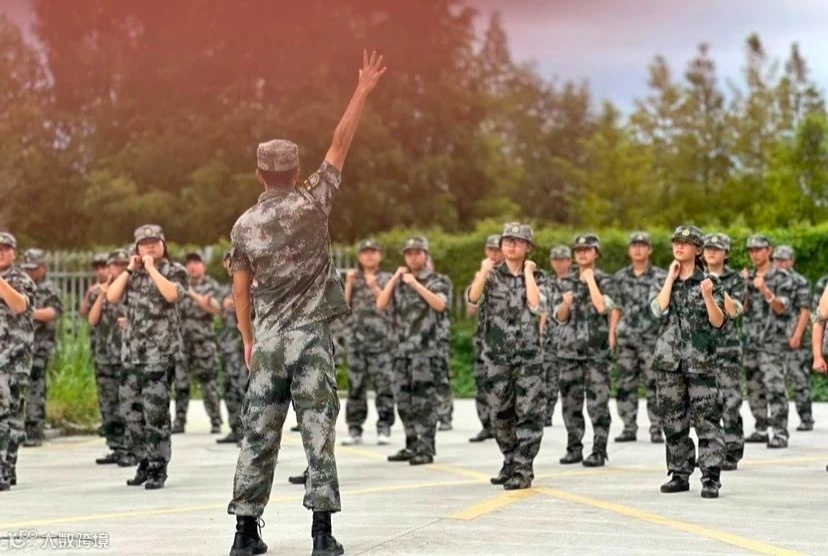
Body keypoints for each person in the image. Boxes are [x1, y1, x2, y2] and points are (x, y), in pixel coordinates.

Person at [226, 50, 386, 556]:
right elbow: (340, 142)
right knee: (318, 434)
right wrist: (362, 89)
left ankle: (244, 534)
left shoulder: (244, 226)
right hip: (312, 338)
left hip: (269, 341)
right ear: (296, 170)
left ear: (259, 175)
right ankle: (321, 533)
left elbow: (240, 290)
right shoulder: (313, 200)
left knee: (258, 435)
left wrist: (249, 340)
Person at [107, 224, 188, 490]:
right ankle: (144, 460)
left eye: (154, 241)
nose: (149, 246)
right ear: (136, 248)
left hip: (159, 355)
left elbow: (172, 295)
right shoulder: (131, 274)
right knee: (131, 413)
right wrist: (130, 269)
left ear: (164, 245)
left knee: (156, 415)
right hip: (131, 354)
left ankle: (158, 466)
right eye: (143, 243)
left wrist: (152, 269)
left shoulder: (174, 271)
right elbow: (112, 296)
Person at [651, 225, 727, 499]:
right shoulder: (666, 280)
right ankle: (679, 474)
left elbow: (718, 321)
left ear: (698, 250)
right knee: (673, 421)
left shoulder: (710, 282)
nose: (679, 246)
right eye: (676, 242)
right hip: (669, 362)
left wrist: (707, 296)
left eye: (686, 242)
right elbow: (657, 310)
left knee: (707, 421)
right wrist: (669, 279)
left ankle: (710, 477)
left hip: (699, 361)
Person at [468, 223, 545, 490]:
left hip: (528, 358)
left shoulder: (538, 276)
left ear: (528, 247)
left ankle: (523, 469)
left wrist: (528, 273)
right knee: (499, 414)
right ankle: (510, 461)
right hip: (496, 357)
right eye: (507, 241)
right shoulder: (490, 276)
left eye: (518, 241)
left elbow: (537, 305)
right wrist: (483, 271)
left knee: (528, 414)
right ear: (501, 246)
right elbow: (472, 298)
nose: (512, 245)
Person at [377, 236, 450, 466]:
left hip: (425, 352)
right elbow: (381, 304)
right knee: (403, 401)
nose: (413, 257)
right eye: (409, 253)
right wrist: (394, 279)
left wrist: (416, 285)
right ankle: (412, 444)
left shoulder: (437, 280)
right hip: (401, 351)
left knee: (424, 403)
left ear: (425, 255)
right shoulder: (399, 282)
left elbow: (440, 304)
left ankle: (426, 448)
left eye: (418, 252)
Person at [553, 233, 615, 468]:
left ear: (596, 253)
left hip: (596, 354)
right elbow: (560, 318)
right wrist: (565, 304)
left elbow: (602, 307)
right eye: (578, 250)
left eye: (587, 250)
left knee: (598, 404)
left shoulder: (606, 280)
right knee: (570, 404)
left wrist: (590, 280)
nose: (582, 254)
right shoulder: (564, 282)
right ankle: (574, 448)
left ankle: (599, 450)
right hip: (569, 352)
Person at [610, 232, 666, 443]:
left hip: (652, 338)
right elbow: (616, 307)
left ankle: (656, 428)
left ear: (649, 250)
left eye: (642, 246)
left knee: (655, 383)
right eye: (634, 245)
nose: (638, 249)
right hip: (626, 339)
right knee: (625, 384)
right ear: (629, 250)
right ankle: (628, 427)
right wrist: (612, 333)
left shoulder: (660, 276)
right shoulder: (620, 277)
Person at [742, 235, 794, 448]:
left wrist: (765, 290)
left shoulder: (781, 277)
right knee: (754, 387)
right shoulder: (747, 277)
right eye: (751, 250)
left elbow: (782, 308)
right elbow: (742, 309)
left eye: (758, 249)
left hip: (772, 341)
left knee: (775, 387)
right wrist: (744, 286)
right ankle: (761, 428)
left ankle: (780, 432)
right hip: (750, 340)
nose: (754, 254)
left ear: (769, 250)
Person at [342, 240, 395, 446]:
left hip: (381, 341)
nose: (369, 256)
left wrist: (374, 286)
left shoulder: (387, 278)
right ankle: (355, 429)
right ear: (359, 257)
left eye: (373, 252)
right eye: (365, 252)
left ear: (380, 256)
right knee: (356, 386)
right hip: (356, 341)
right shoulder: (353, 278)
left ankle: (384, 427)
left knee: (384, 386)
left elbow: (390, 306)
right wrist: (348, 284)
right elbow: (343, 308)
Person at [702, 233, 745, 471]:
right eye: (708, 248)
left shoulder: (735, 279)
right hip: (702, 348)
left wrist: (716, 284)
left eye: (717, 249)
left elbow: (735, 311)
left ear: (726, 253)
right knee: (706, 403)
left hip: (727, 348)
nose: (711, 252)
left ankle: (733, 449)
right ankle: (711, 452)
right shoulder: (695, 276)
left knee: (730, 400)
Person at [88, 249, 133, 466]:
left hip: (127, 356)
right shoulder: (102, 290)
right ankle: (116, 447)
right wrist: (101, 295)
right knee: (108, 405)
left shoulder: (135, 289)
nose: (118, 268)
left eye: (123, 264)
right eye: (114, 265)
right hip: (104, 356)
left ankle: (132, 449)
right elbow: (92, 319)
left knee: (128, 405)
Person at [0, 232, 36, 490]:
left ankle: (6, 467)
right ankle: (4, 469)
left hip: (14, 358)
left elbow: (19, 306)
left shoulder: (21, 279)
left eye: (5, 248)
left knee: (11, 415)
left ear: (14, 252)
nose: (1, 252)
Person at [173, 251, 223, 434]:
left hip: (204, 343)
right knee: (181, 384)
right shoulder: (178, 286)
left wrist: (192, 294)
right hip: (183, 343)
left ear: (204, 266)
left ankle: (216, 420)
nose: (192, 266)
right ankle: (179, 422)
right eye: (189, 262)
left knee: (209, 383)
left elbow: (216, 309)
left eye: (196, 262)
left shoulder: (211, 285)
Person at [20, 248, 63, 447]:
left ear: (43, 267)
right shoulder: (20, 285)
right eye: (26, 268)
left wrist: (26, 311)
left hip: (39, 347)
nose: (29, 272)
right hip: (19, 346)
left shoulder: (49, 288)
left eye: (33, 268)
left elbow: (53, 312)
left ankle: (34, 431)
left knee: (35, 389)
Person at [772, 246, 814, 431]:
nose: (780, 263)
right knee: (775, 381)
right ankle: (776, 421)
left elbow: (805, 311)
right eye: (777, 260)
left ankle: (806, 418)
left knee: (799, 378)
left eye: (784, 260)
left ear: (792, 261)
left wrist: (797, 335)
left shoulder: (800, 282)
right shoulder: (769, 280)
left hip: (795, 337)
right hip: (774, 337)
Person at [467, 235, 503, 443]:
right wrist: (480, 276)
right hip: (483, 340)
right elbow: (471, 309)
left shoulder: (510, 275)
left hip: (503, 341)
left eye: (497, 250)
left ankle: (503, 426)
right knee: (481, 383)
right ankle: (486, 426)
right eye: (490, 250)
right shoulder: (481, 276)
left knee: (502, 387)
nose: (494, 254)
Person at [216, 251, 249, 445]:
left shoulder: (252, 284)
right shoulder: (224, 288)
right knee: (229, 388)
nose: (232, 265)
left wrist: (237, 302)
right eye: (229, 261)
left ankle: (248, 432)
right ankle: (235, 429)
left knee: (244, 388)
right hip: (227, 347)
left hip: (244, 347)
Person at [539, 245, 572, 428]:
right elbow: (542, 308)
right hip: (551, 337)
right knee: (548, 377)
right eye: (555, 260)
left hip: (570, 338)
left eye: (562, 260)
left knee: (569, 380)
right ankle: (546, 413)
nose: (559, 263)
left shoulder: (576, 282)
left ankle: (572, 415)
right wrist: (540, 332)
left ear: (569, 261)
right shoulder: (547, 284)